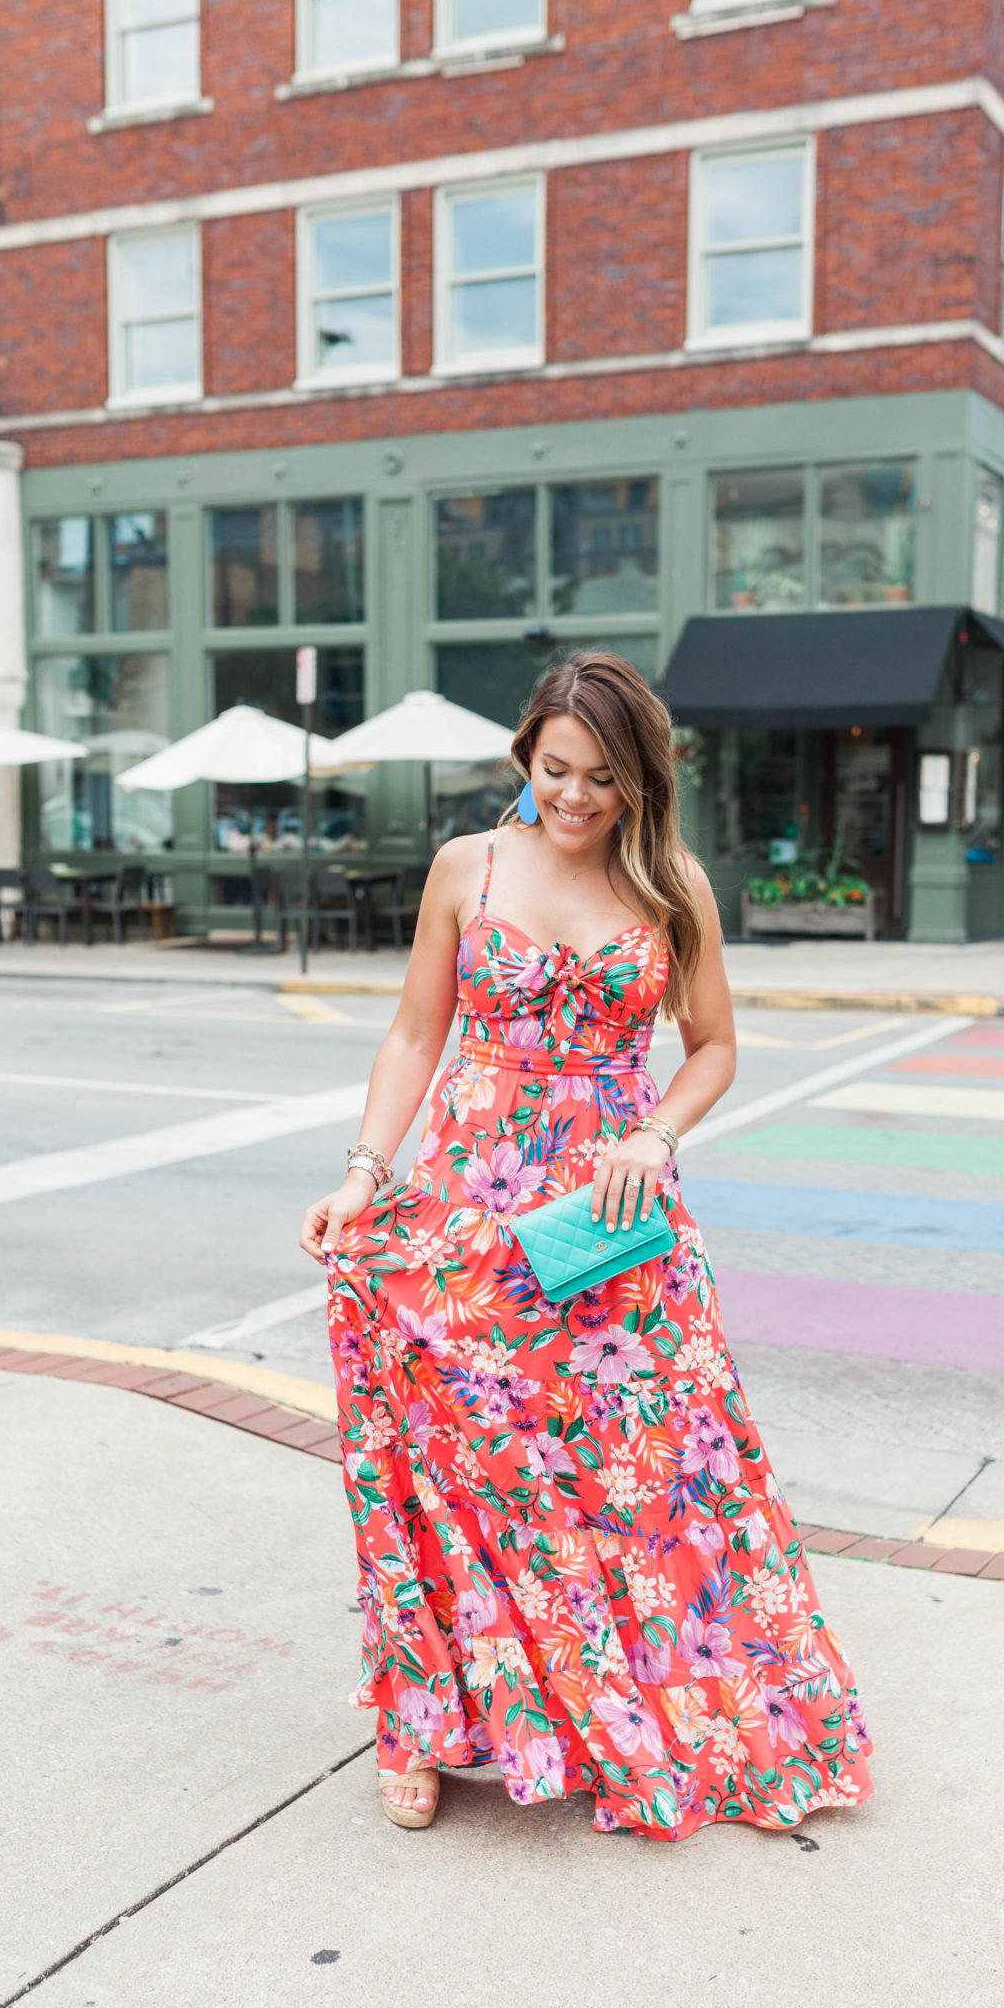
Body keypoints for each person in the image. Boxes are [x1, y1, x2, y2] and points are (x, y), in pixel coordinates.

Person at [299, 651, 873, 1840]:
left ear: (641, 781)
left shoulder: (675, 885)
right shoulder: (469, 867)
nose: (573, 798)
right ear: (525, 758)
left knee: (658, 1482)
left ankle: (660, 1714)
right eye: (555, 770)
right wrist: (364, 1172)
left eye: (602, 779)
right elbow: (416, 1034)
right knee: (455, 1474)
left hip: (613, 1234)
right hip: (470, 1219)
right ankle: (424, 1724)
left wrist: (656, 1135)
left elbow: (713, 1046)